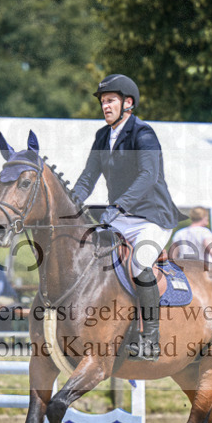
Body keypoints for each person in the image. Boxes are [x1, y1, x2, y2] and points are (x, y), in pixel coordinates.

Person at [71, 74, 183, 360]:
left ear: (128, 103)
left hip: (152, 218)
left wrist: (119, 206)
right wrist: (71, 202)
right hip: (119, 217)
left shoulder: (143, 134)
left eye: (111, 100)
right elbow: (88, 177)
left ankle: (150, 340)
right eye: (103, 102)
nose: (105, 106)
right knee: (89, 257)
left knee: (139, 263)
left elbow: (148, 175)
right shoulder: (102, 136)